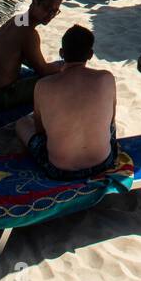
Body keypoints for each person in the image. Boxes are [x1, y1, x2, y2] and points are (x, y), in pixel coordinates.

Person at [16, 25, 117, 180]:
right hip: (103, 163)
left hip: (60, 171)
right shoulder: (106, 78)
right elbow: (111, 123)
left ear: (62, 53)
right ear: (90, 54)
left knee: (22, 123)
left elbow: (40, 131)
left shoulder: (44, 85)